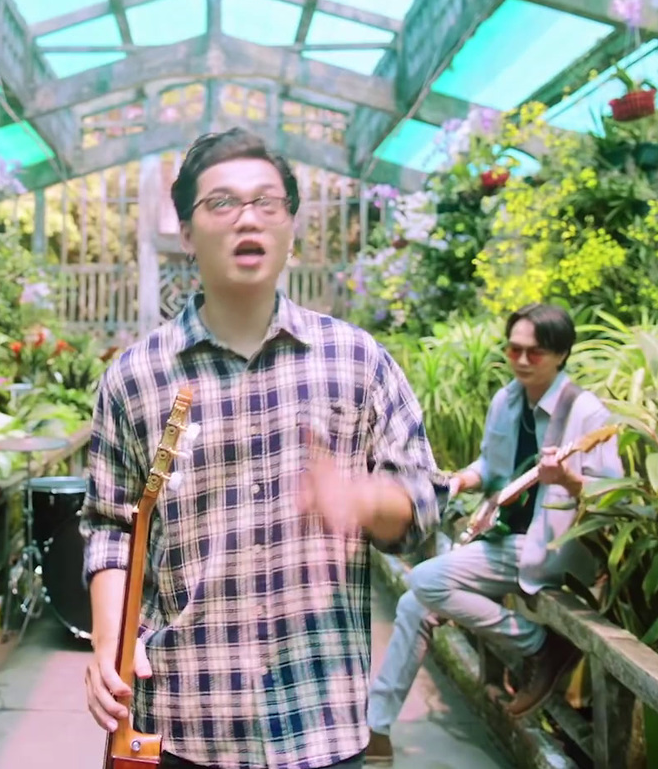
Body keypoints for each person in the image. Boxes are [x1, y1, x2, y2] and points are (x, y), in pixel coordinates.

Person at [80, 128, 442, 769]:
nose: (247, 217)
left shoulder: (356, 360)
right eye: (221, 202)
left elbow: (423, 506)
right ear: (187, 234)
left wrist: (363, 500)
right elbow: (111, 524)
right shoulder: (135, 377)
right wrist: (110, 640)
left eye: (266, 202)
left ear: (291, 227)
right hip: (186, 721)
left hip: (321, 719)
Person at [363, 303, 624, 764]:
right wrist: (459, 480)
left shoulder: (585, 414)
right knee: (414, 603)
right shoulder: (507, 400)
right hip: (505, 542)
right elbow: (493, 466)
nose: (522, 360)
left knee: (423, 580)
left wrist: (567, 481)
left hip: (556, 550)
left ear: (561, 354)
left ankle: (537, 646)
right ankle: (377, 728)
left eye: (535, 353)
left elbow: (613, 497)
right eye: (513, 349)